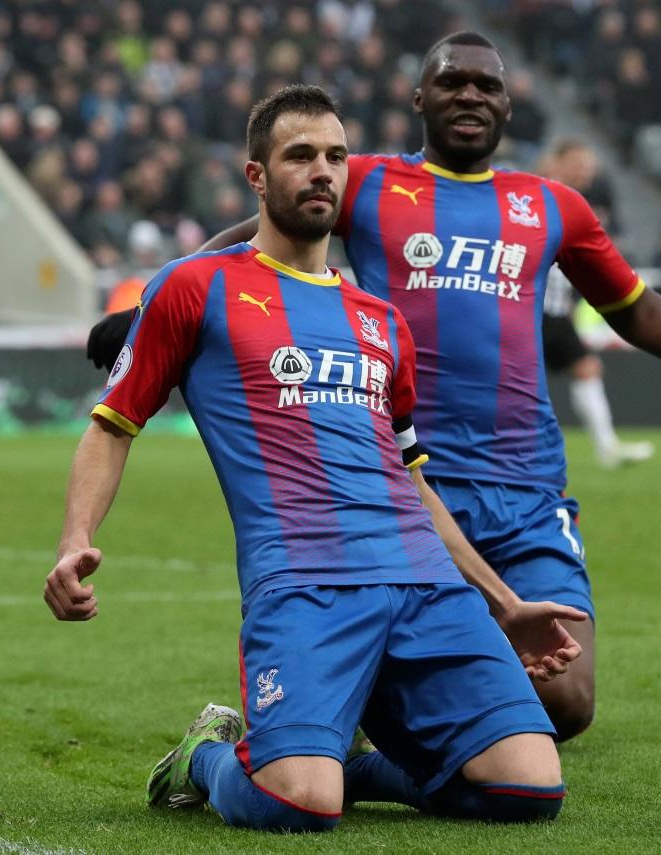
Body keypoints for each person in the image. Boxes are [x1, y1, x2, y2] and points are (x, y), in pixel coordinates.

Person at [86, 33, 661, 743]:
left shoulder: (551, 206)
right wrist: (148, 312)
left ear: (508, 105)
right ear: (420, 99)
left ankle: (393, 718)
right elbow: (254, 239)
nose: (470, 95)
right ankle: (361, 718)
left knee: (567, 700)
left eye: (487, 85)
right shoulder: (365, 182)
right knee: (420, 700)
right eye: (452, 83)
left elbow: (629, 303)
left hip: (527, 492)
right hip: (401, 490)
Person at [47, 85, 585, 833]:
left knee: (529, 789)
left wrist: (504, 602)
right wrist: (75, 539)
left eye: (335, 156)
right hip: (306, 583)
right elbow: (112, 428)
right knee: (298, 802)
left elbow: (412, 478)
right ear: (256, 176)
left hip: (426, 586)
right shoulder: (197, 287)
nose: (323, 171)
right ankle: (205, 755)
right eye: (300, 155)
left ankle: (354, 765)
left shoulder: (382, 321)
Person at [540, 138, 654, 468]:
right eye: (579, 163)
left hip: (555, 309)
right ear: (557, 162)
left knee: (586, 367)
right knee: (519, 383)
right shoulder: (537, 196)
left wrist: (572, 299)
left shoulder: (577, 204)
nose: (586, 171)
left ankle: (607, 447)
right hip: (528, 308)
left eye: (589, 166)